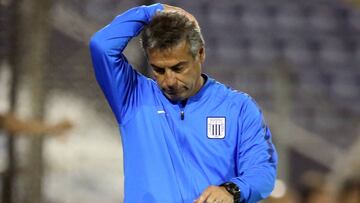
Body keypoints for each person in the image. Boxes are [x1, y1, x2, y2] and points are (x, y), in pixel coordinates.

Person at [89, 3, 277, 203]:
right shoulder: (132, 96)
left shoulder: (239, 107)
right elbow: (101, 45)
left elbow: (263, 171)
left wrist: (231, 190)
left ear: (201, 54)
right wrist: (152, 11)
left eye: (178, 68)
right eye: (159, 70)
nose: (169, 81)